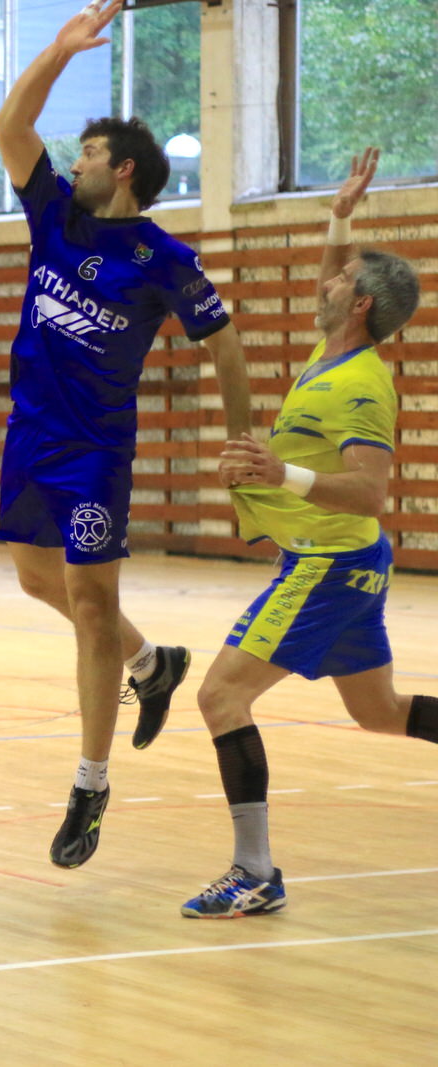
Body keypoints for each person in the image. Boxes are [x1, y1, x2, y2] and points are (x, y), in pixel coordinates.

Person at [0, 0, 253, 868]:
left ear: (127, 169)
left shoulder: (164, 260)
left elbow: (224, 342)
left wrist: (243, 440)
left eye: (92, 153)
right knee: (38, 581)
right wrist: (60, 52)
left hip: (96, 451)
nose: (76, 160)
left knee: (91, 607)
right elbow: (11, 123)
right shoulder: (56, 215)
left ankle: (90, 783)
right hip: (30, 434)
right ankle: (153, 662)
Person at [184, 147, 434, 917]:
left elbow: (368, 493)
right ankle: (255, 870)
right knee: (379, 713)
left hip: (329, 560)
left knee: (221, 696)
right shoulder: (334, 347)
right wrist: (340, 214)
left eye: (338, 278)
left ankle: (254, 871)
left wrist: (276, 474)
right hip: (347, 564)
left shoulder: (361, 384)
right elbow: (335, 275)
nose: (323, 281)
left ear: (358, 304)